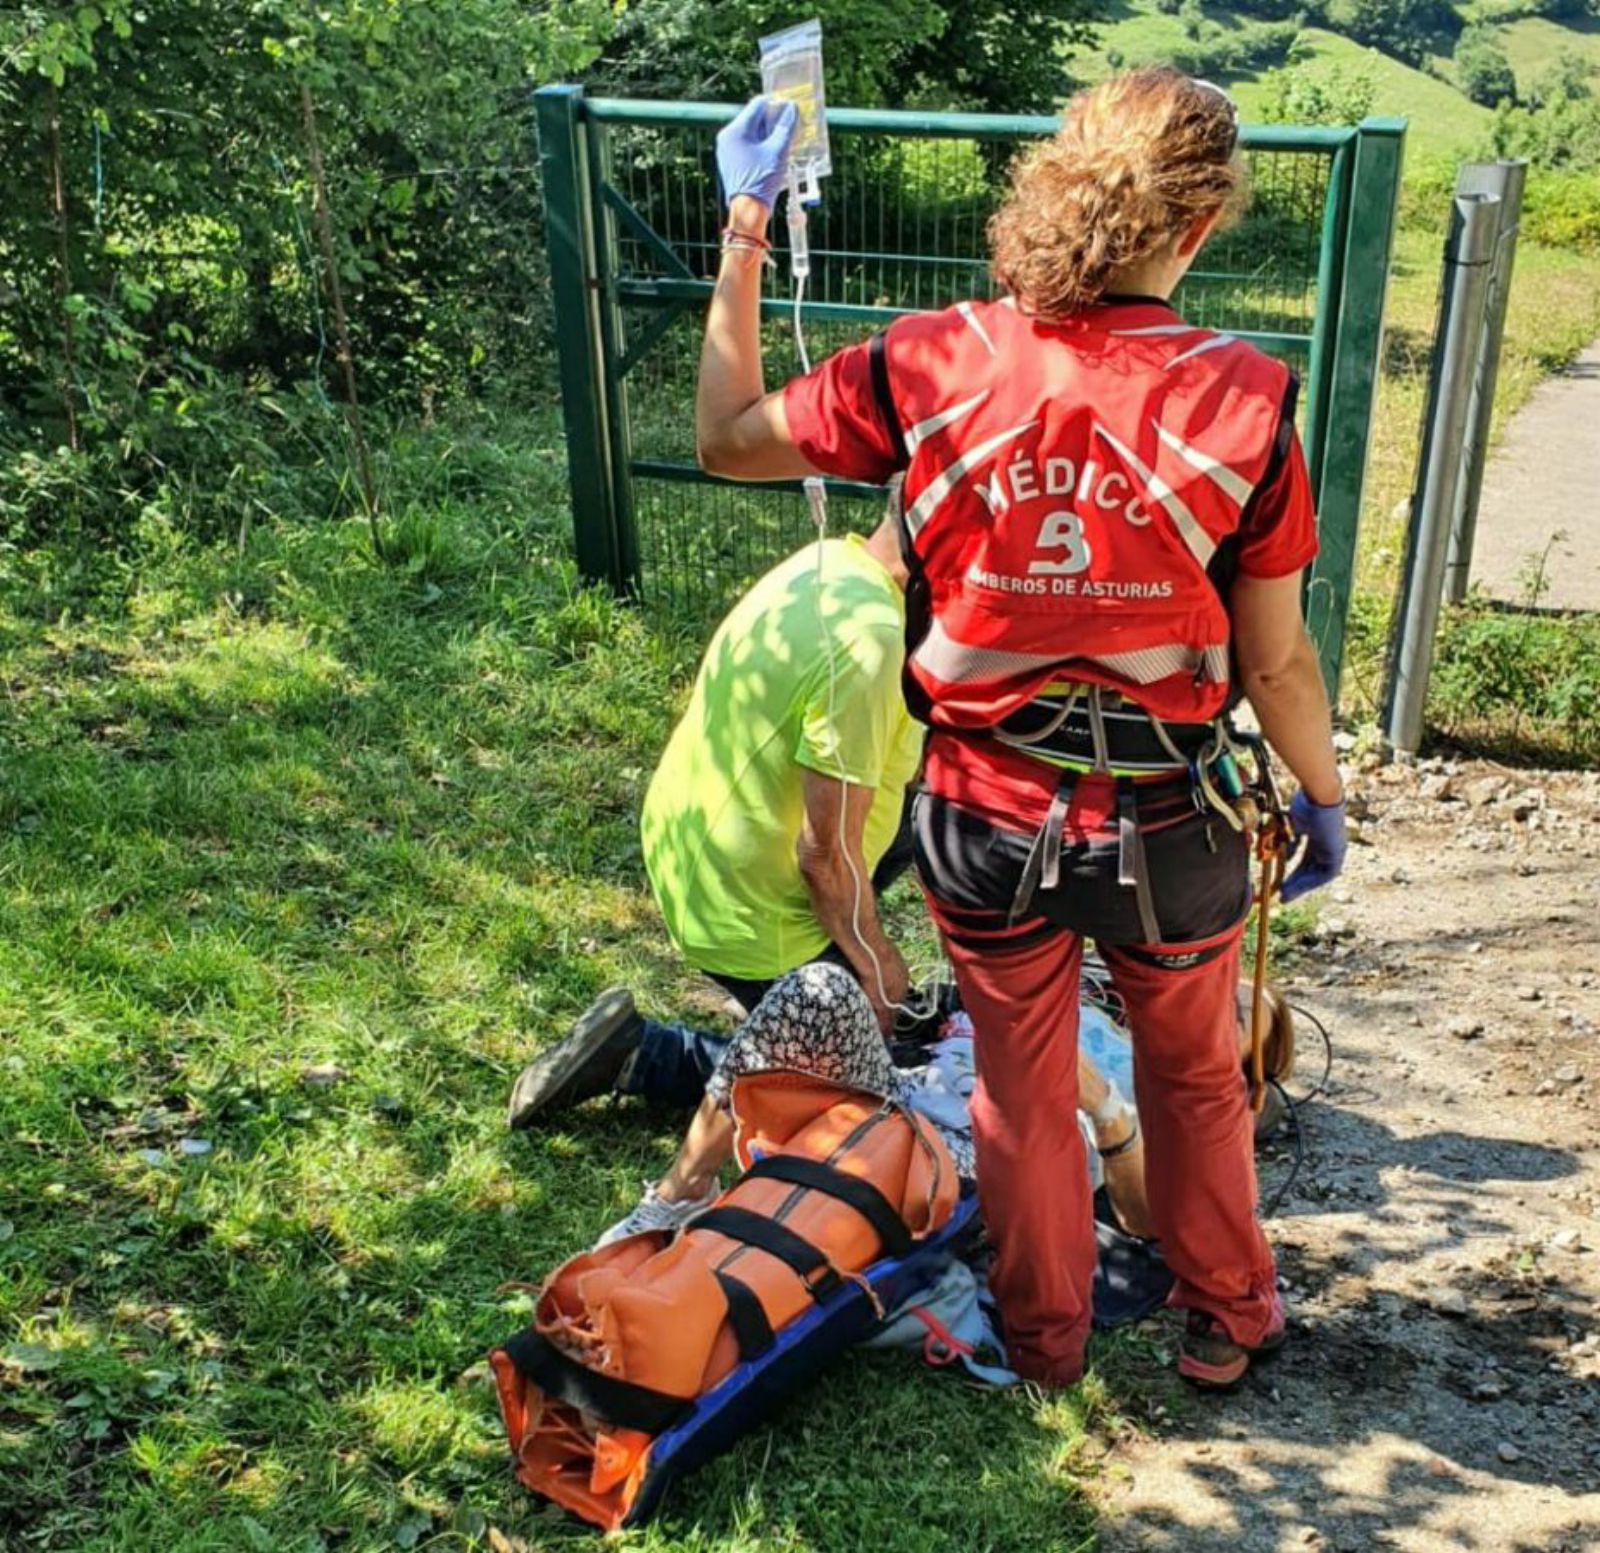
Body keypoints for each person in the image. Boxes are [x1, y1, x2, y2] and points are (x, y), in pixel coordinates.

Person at [693, 71, 1348, 1391]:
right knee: (1198, 1079)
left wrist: (747, 220)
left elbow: (724, 438)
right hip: (1174, 821)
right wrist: (1323, 795)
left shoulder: (927, 361)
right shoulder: (1249, 399)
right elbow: (1272, 658)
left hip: (984, 817)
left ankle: (1045, 1345)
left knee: (1021, 1091)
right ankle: (1226, 1314)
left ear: (1050, 189)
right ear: (1202, 225)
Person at [507, 503, 924, 1136]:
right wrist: (877, 964)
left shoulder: (827, 565)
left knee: (933, 810)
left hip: (692, 844)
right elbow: (822, 856)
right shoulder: (871, 643)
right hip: (751, 908)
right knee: (866, 1099)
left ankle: (800, 1018)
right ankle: (647, 1056)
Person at [594, 961, 1154, 1249]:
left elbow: (1146, 1221)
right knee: (819, 988)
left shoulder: (1175, 1087)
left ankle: (651, 1057)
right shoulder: (1060, 975)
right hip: (908, 1091)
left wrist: (1104, 1107)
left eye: (1243, 1016)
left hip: (987, 1157)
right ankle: (682, 1193)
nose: (1234, 1001)